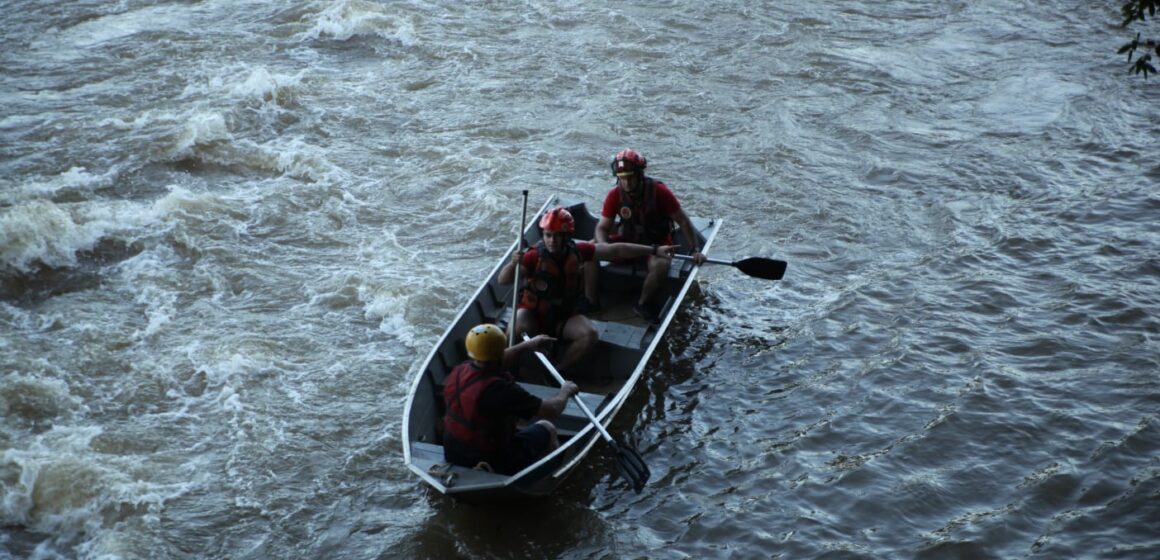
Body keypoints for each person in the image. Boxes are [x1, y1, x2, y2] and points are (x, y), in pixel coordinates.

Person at [498, 206, 676, 375]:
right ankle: (502, 368)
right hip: (534, 314)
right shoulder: (533, 257)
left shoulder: (579, 251)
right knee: (517, 326)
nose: (552, 240)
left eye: (557, 236)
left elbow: (617, 250)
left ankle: (557, 371)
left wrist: (654, 249)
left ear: (567, 236)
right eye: (548, 235)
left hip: (564, 316)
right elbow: (503, 280)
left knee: (590, 335)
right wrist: (513, 263)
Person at [442, 323, 579, 475]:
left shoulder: (460, 370)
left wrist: (527, 345)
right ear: (499, 352)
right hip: (490, 460)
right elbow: (552, 410)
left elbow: (496, 359)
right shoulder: (501, 390)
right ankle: (547, 476)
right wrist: (565, 391)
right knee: (547, 427)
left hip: (453, 453)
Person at [590, 148, 707, 323]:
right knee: (588, 250)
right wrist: (603, 245)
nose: (627, 183)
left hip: (657, 245)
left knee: (661, 265)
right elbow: (602, 227)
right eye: (622, 178)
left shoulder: (660, 191)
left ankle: (643, 303)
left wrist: (695, 250)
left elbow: (683, 221)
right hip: (627, 244)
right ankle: (591, 301)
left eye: (630, 177)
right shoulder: (614, 195)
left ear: (640, 174)